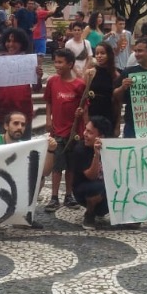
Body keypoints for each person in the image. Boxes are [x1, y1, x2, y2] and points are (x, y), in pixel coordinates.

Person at [44, 48, 84, 211]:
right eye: (55, 62)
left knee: (71, 166)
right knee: (56, 165)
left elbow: (84, 107)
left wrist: (82, 125)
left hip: (73, 132)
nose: (56, 65)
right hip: (57, 131)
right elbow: (48, 101)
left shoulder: (79, 85)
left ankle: (69, 194)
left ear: (70, 64)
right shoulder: (52, 81)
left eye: (60, 62)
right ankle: (54, 197)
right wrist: (48, 119)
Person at [0, 27, 42, 136]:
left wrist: (38, 77)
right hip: (3, 113)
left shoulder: (29, 62)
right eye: (8, 41)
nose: (11, 44)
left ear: (22, 44)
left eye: (15, 41)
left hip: (24, 113)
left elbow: (36, 88)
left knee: (23, 148)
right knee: (1, 147)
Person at [70, 115, 113, 230]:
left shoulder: (112, 147)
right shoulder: (80, 149)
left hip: (108, 193)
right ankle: (89, 214)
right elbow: (91, 176)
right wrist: (96, 155)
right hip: (85, 190)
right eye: (85, 130)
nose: (84, 134)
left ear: (101, 136)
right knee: (97, 187)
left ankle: (125, 216)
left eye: (89, 132)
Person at [115, 37, 147, 139]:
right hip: (133, 124)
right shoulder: (128, 72)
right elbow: (115, 96)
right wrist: (122, 87)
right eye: (135, 51)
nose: (136, 54)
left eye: (140, 51)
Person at [84, 41, 122, 135]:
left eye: (102, 53)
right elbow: (83, 97)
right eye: (97, 53)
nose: (99, 56)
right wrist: (85, 118)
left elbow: (118, 102)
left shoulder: (115, 75)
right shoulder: (90, 73)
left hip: (108, 113)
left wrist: (118, 125)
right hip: (92, 111)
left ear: (109, 55)